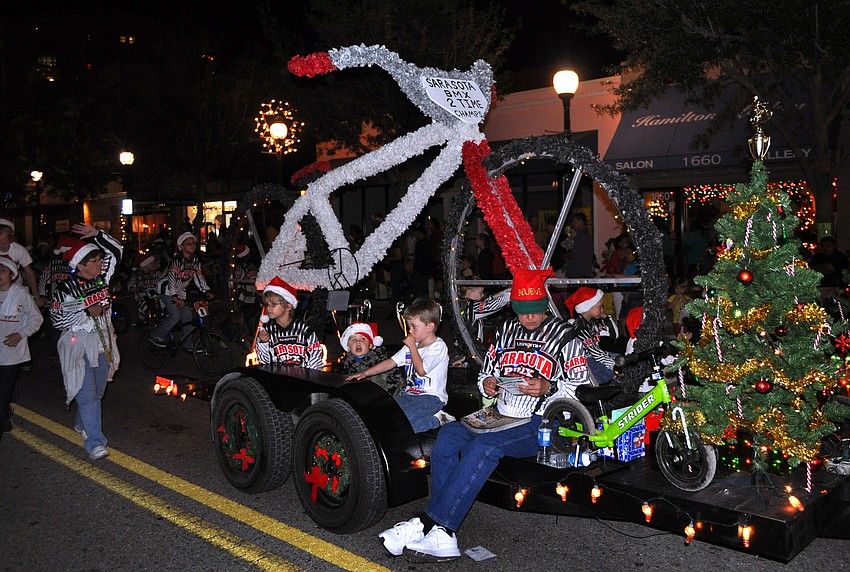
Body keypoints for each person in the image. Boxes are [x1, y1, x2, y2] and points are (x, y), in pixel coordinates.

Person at [377, 269, 590, 562]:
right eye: (523, 311)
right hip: (499, 413)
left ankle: (433, 526)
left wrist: (548, 387)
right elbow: (488, 371)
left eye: (535, 311)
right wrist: (488, 382)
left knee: (483, 448)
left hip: (539, 420)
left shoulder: (565, 336)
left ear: (545, 304)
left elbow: (581, 385)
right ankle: (440, 529)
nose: (529, 318)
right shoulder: (504, 331)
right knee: (449, 435)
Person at [50, 224, 122, 461]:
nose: (100, 263)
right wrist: (86, 310)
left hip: (102, 342)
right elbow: (57, 318)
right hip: (77, 343)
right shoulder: (65, 287)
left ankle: (83, 422)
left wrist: (99, 235)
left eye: (100, 259)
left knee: (98, 392)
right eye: (94, 260)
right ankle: (94, 443)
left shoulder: (102, 278)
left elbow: (116, 252)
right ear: (80, 265)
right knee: (88, 394)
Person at [348, 297, 449, 433]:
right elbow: (391, 362)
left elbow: (421, 370)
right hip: (408, 394)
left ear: (430, 326)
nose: (410, 331)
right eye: (409, 327)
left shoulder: (438, 347)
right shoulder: (412, 345)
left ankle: (438, 419)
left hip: (431, 398)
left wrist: (412, 346)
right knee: (382, 416)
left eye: (414, 327)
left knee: (402, 424)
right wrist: (366, 373)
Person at [0, 258, 43, 440]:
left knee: (3, 390)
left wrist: (19, 334)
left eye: (2, 271)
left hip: (11, 353)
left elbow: (36, 319)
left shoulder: (20, 294)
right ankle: (5, 412)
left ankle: (3, 417)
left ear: (11, 273)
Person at [149, 232, 213, 349]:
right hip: (166, 289)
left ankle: (187, 344)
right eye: (188, 243)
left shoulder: (195, 261)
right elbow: (171, 278)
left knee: (188, 315)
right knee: (175, 315)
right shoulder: (176, 261)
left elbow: (199, 277)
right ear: (181, 246)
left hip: (180, 291)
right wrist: (174, 296)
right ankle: (156, 334)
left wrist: (206, 291)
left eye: (193, 243)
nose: (192, 245)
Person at [255, 276, 323, 369]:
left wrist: (306, 376)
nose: (268, 308)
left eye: (273, 305)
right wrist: (263, 343)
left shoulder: (304, 330)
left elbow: (315, 357)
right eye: (267, 305)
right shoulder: (267, 331)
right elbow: (264, 362)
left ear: (288, 306)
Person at [565, 286, 616, 385]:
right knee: (611, 370)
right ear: (589, 307)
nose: (602, 310)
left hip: (595, 356)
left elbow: (613, 335)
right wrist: (613, 364)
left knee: (619, 358)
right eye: (600, 307)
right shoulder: (580, 327)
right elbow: (594, 352)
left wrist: (605, 318)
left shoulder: (594, 322)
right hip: (584, 360)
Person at [335, 322, 402, 396]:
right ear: (348, 346)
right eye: (353, 340)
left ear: (370, 345)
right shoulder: (344, 365)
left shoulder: (381, 363)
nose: (358, 342)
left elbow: (395, 383)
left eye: (363, 339)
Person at [0, 218, 45, 308]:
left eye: (3, 243)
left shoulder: (19, 250)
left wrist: (36, 297)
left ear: (10, 237)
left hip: (15, 288)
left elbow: (29, 274)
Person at [128, 253, 164, 327]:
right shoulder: (137, 274)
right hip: (142, 295)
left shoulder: (155, 273)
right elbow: (131, 283)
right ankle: (141, 320)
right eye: (151, 263)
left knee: (163, 303)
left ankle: (162, 318)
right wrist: (132, 288)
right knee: (144, 307)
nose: (154, 264)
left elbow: (162, 278)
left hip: (155, 294)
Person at [562, 212, 595, 278]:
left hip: (579, 271)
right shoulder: (581, 235)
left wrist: (566, 255)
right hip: (579, 270)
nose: (573, 224)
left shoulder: (582, 236)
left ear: (581, 222)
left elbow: (576, 253)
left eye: (575, 222)